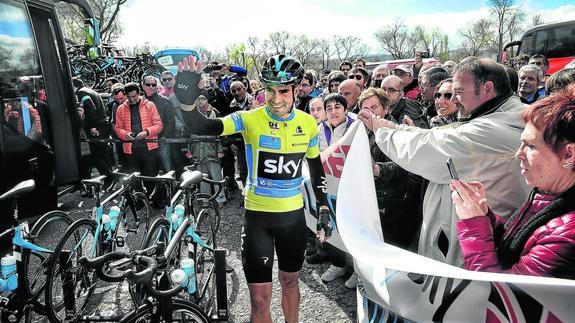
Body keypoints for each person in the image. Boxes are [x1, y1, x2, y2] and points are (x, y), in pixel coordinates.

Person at [174, 54, 331, 323]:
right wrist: (187, 100)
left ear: (296, 90)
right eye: (270, 89)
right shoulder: (249, 118)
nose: (276, 98)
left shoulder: (307, 124)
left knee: (291, 283)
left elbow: (316, 168)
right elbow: (202, 125)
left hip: (293, 218)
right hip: (258, 218)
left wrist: (324, 206)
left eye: (283, 90)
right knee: (259, 300)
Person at [359, 57, 530, 265]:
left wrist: (382, 130)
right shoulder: (498, 118)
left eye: (458, 92)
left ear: (487, 88)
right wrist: (392, 128)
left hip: (474, 250)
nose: (455, 101)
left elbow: (429, 148)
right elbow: (436, 136)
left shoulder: (492, 130)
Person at [451, 86, 575, 279]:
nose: (519, 153)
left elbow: (499, 298)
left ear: (568, 154)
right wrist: (485, 216)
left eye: (531, 145)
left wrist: (474, 226)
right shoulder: (548, 193)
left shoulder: (567, 235)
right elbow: (516, 242)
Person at [114, 82, 163, 198]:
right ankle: (139, 200)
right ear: (126, 95)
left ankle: (156, 199)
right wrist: (126, 134)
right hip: (131, 149)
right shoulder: (120, 109)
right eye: (129, 97)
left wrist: (146, 132)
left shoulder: (150, 105)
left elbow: (159, 125)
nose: (132, 99)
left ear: (139, 94)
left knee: (151, 175)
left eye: (134, 96)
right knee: (134, 178)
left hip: (149, 147)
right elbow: (118, 128)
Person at [72, 77, 113, 188]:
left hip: (96, 126)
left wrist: (92, 126)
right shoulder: (91, 90)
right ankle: (110, 178)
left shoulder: (81, 92)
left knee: (96, 155)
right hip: (103, 124)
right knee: (103, 154)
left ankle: (108, 177)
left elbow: (90, 107)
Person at [188, 95, 226, 208]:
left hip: (213, 150)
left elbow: (221, 133)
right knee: (202, 177)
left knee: (216, 177)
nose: (200, 101)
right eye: (198, 99)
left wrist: (221, 149)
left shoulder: (215, 113)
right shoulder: (191, 114)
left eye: (202, 98)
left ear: (207, 100)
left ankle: (220, 199)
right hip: (197, 150)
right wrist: (188, 149)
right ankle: (205, 199)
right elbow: (189, 133)